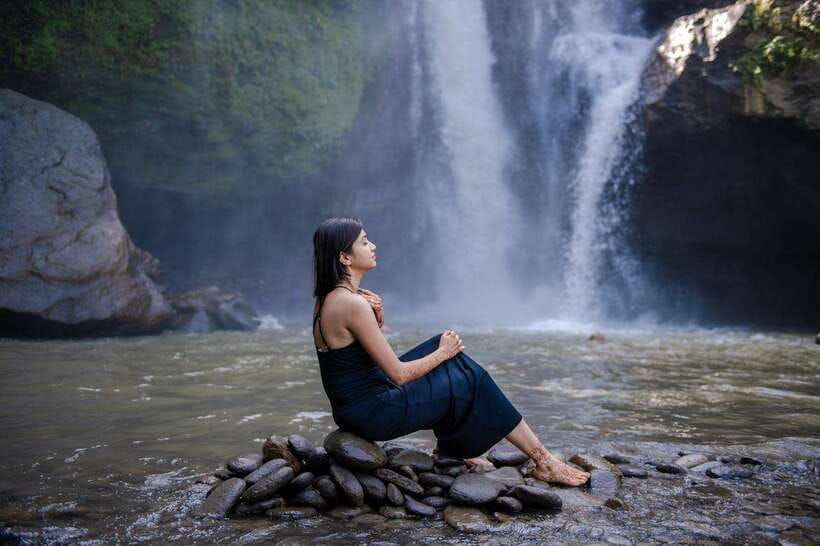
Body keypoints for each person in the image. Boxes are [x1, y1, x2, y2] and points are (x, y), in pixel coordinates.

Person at [312, 217, 589, 486]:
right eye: (364, 242)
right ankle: (543, 460)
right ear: (345, 257)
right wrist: (443, 353)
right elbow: (399, 375)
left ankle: (453, 449)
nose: (372, 246)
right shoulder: (352, 304)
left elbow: (357, 359)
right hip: (373, 413)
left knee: (448, 356)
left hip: (355, 407)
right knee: (468, 375)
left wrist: (379, 318)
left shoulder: (332, 298)